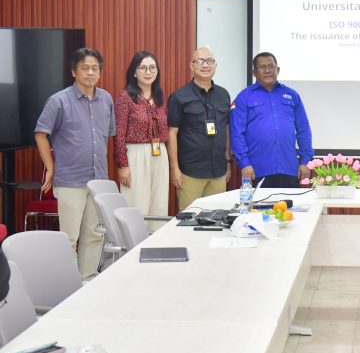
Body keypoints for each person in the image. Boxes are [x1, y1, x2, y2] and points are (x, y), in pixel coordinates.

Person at [34, 48, 114, 280]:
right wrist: (51, 168)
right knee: (69, 238)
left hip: (98, 180)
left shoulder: (106, 99)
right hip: (70, 180)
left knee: (95, 235)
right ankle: (68, 285)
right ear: (73, 71)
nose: (90, 72)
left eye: (95, 68)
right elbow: (40, 134)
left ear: (100, 72)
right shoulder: (58, 101)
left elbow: (107, 135)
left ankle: (87, 279)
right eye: (85, 68)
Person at [230, 52, 313, 188]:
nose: (267, 70)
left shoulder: (292, 95)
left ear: (278, 70)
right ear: (254, 72)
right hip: (256, 169)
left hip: (288, 168)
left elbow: (303, 130)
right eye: (262, 67)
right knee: (259, 203)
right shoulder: (244, 97)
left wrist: (305, 161)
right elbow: (237, 133)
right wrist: (244, 163)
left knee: (288, 203)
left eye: (271, 66)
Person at [167, 47, 231, 210]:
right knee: (189, 219)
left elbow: (226, 129)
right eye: (200, 61)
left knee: (217, 218)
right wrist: (174, 169)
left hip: (218, 171)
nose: (205, 65)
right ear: (191, 65)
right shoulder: (179, 96)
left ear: (215, 65)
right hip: (190, 172)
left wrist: (228, 161)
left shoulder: (223, 95)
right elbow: (172, 134)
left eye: (210, 61)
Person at [114, 51, 169, 230]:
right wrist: (122, 164)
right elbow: (119, 133)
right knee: (136, 203)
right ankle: (133, 242)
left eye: (152, 68)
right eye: (143, 68)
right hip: (135, 154)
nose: (148, 72)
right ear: (134, 72)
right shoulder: (125, 97)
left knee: (159, 203)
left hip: (159, 153)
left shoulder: (160, 97)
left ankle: (154, 241)